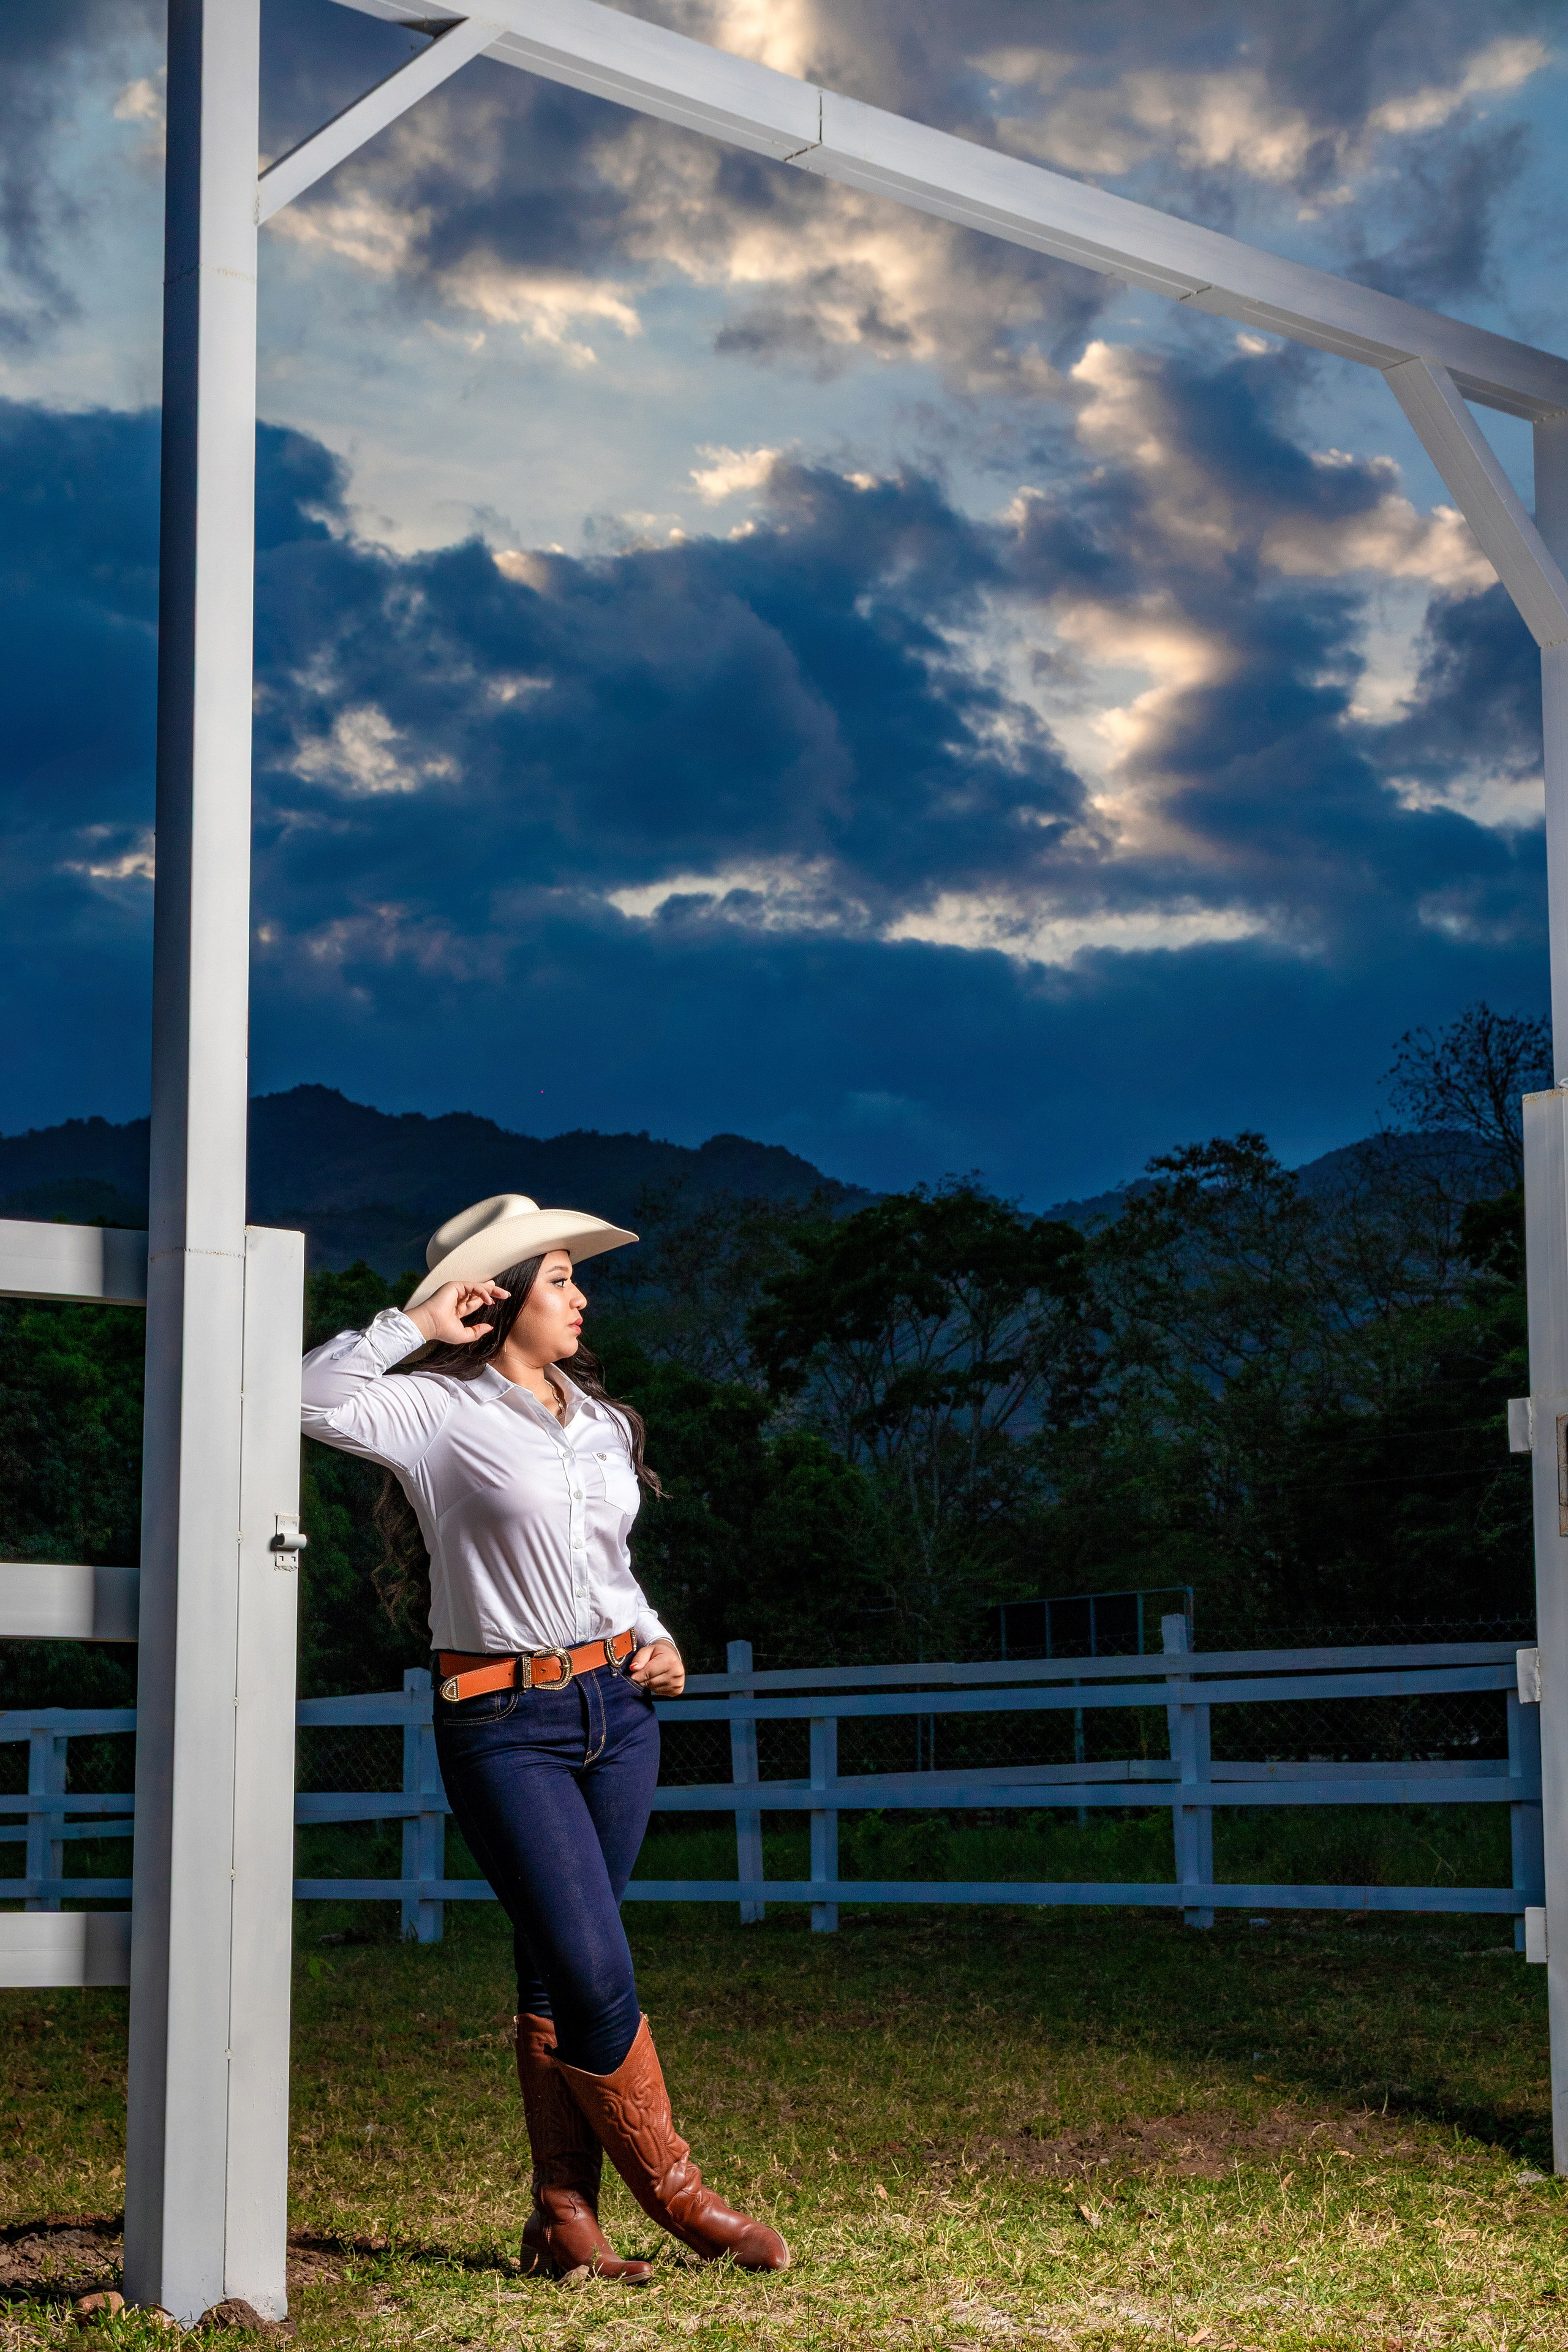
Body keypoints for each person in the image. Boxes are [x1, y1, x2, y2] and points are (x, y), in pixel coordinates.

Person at [300, 1192, 789, 2283]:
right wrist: (418, 1323)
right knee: (591, 1962)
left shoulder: (603, 1424)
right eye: (561, 1279)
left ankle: (564, 2218)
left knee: (552, 1969)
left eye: (574, 1278)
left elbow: (610, 1571)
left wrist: (655, 1639)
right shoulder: (433, 1412)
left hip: (619, 1711)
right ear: (503, 1296)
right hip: (500, 1720)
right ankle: (682, 2196)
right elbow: (297, 1397)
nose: (582, 1297)